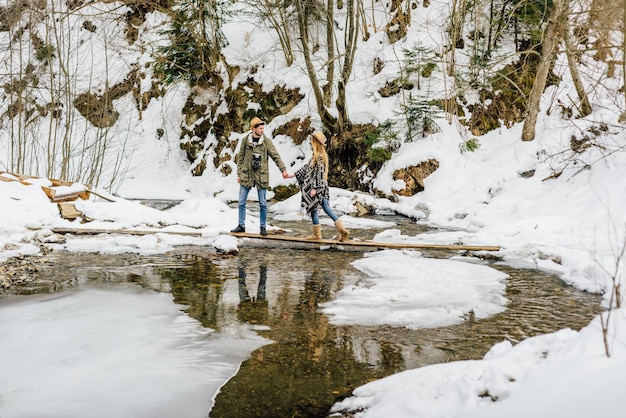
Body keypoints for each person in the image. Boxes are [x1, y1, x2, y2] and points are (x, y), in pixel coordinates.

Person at [231, 117, 291, 236]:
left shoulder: (266, 141)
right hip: (246, 174)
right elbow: (240, 158)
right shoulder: (245, 140)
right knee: (241, 202)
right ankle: (241, 225)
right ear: (253, 129)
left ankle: (263, 226)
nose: (262, 130)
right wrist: (239, 173)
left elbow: (276, 156)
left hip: (261, 175)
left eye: (263, 128)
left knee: (263, 203)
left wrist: (283, 170)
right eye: (260, 128)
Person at [293, 131, 350, 241]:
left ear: (315, 142)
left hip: (318, 188)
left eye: (311, 140)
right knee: (326, 208)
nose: (310, 142)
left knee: (315, 208)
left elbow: (319, 173)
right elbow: (307, 168)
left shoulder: (319, 157)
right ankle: (342, 231)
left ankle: (318, 235)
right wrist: (294, 174)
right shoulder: (317, 155)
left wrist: (314, 188)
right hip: (323, 188)